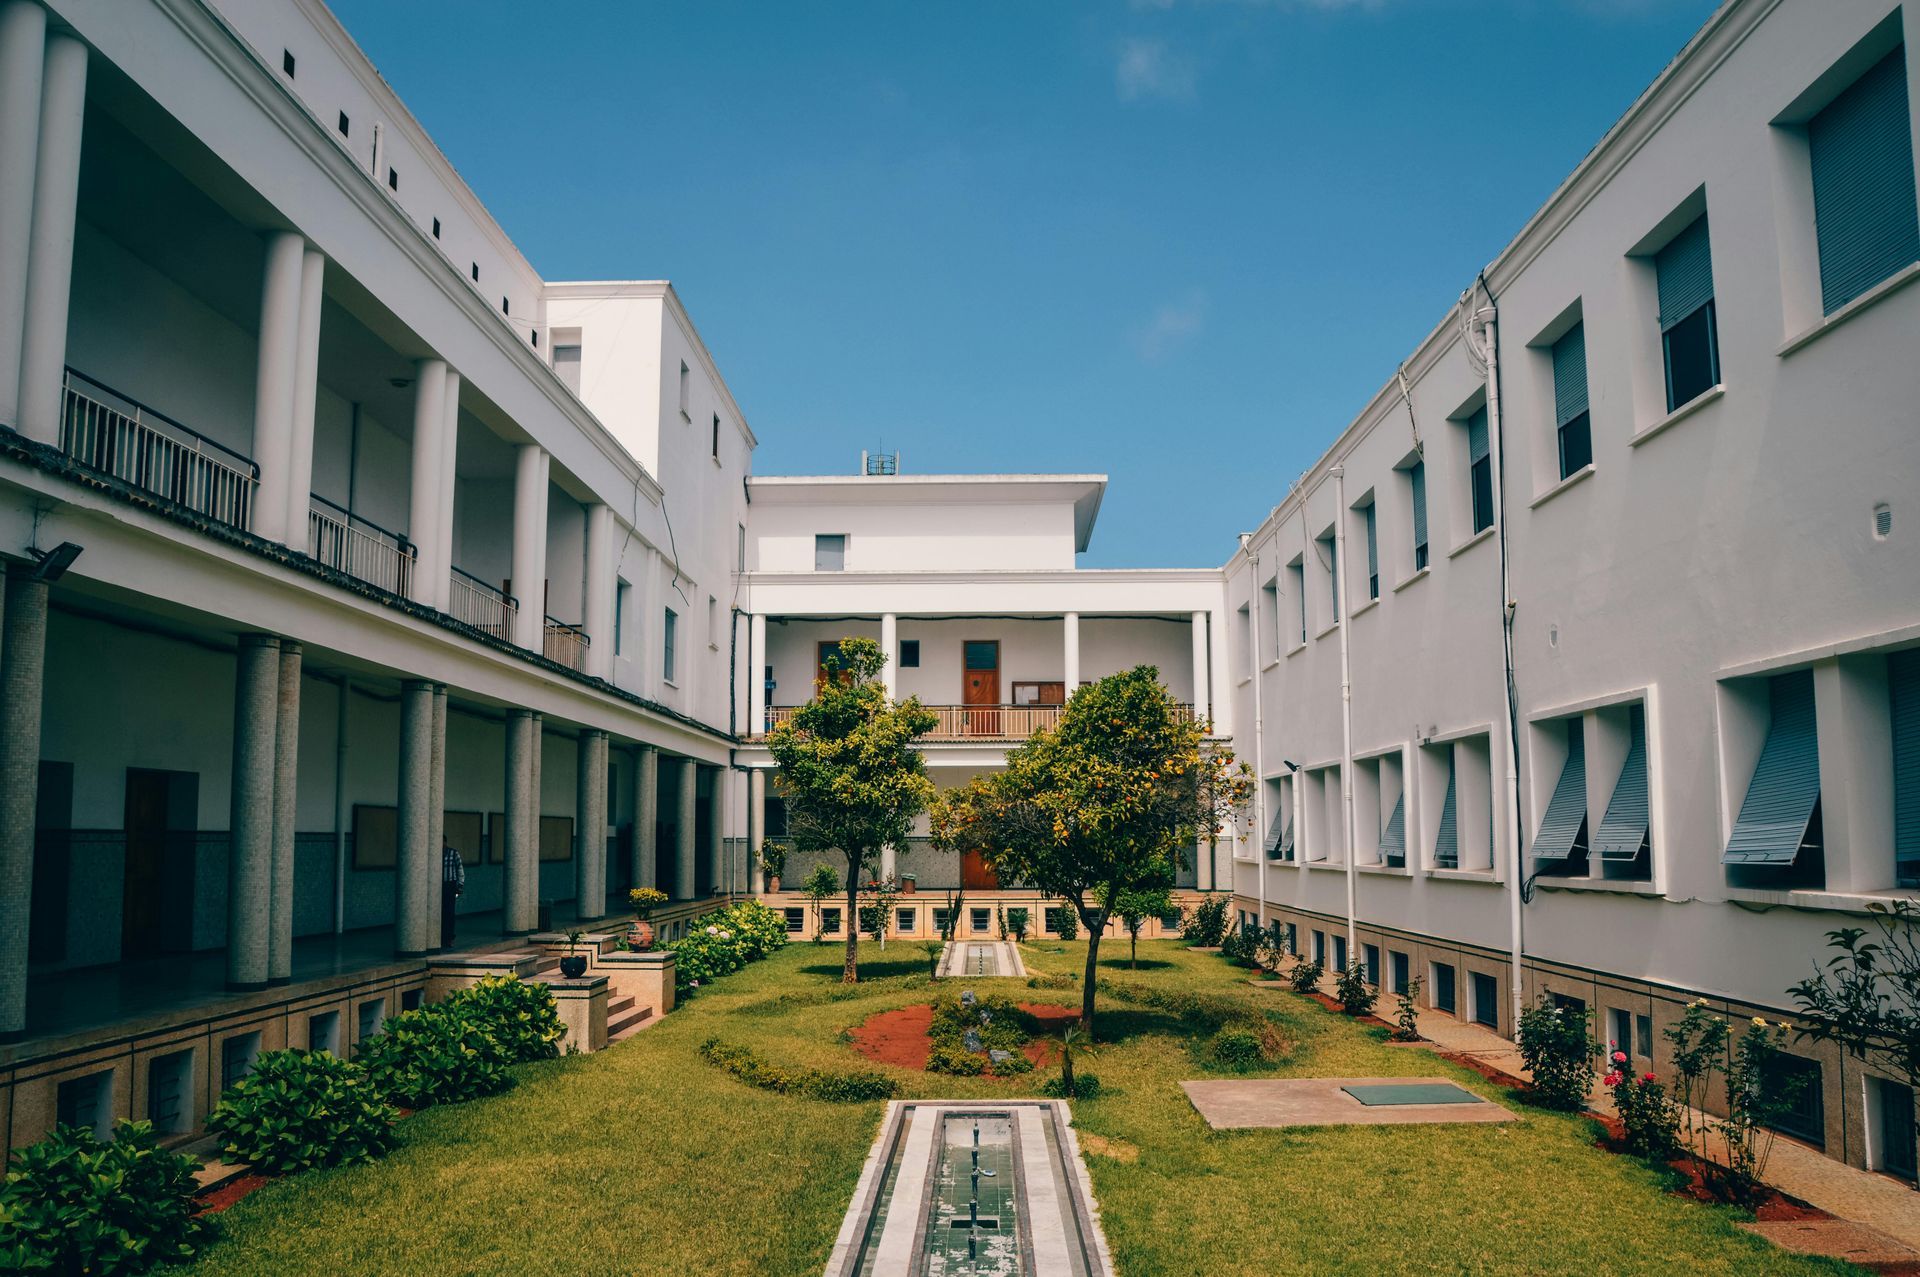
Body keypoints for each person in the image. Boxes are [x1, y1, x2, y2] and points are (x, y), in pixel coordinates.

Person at [441, 841, 466, 948]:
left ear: (445, 842)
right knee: (439, 912)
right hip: (437, 885)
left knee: (449, 912)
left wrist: (459, 885)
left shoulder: (453, 853)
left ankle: (449, 938)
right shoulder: (434, 853)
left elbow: (460, 869)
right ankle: (441, 937)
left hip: (449, 885)